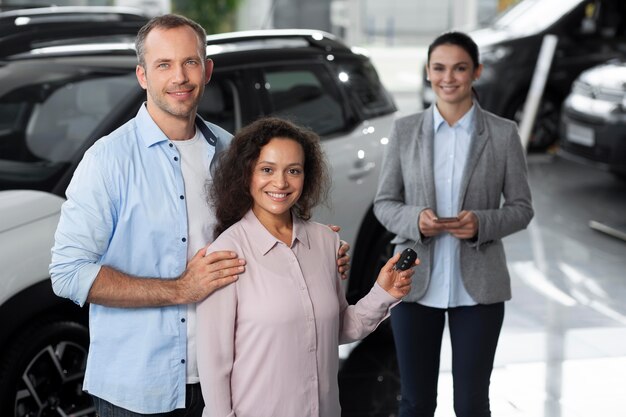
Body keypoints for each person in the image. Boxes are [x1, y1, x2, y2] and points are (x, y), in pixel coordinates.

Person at [49, 14, 349, 417]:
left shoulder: (232, 153)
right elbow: (68, 273)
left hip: (225, 383)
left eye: (190, 62)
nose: (180, 77)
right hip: (138, 391)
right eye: (164, 65)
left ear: (207, 70)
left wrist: (313, 248)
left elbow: (264, 232)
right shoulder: (107, 161)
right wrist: (179, 289)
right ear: (142, 75)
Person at [196, 117, 417, 417]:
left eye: (293, 171)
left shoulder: (326, 242)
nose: (281, 182)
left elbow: (336, 329)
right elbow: (214, 363)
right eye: (267, 169)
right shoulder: (226, 253)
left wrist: (383, 293)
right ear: (245, 174)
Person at [373, 31, 534, 417]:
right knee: (414, 401)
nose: (449, 78)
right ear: (428, 72)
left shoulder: (502, 133)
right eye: (439, 68)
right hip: (413, 282)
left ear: (475, 72)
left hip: (479, 288)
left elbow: (521, 208)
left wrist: (481, 223)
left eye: (460, 68)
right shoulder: (405, 130)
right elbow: (384, 203)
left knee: (472, 404)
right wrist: (416, 219)